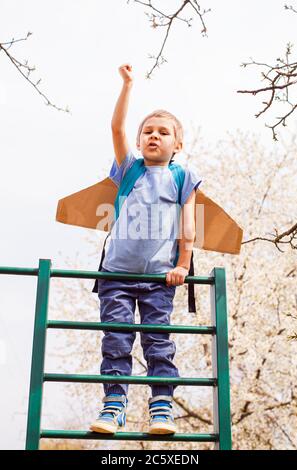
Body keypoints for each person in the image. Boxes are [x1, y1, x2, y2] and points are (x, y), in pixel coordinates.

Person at [90, 64, 203, 435]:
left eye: (164, 132)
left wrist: (183, 265)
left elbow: (188, 224)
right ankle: (114, 405)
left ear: (178, 144)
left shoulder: (182, 176)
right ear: (139, 142)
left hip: (159, 277)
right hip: (117, 275)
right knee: (117, 339)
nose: (154, 136)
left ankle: (161, 407)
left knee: (158, 341)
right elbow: (116, 128)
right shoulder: (129, 169)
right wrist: (127, 86)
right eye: (148, 132)